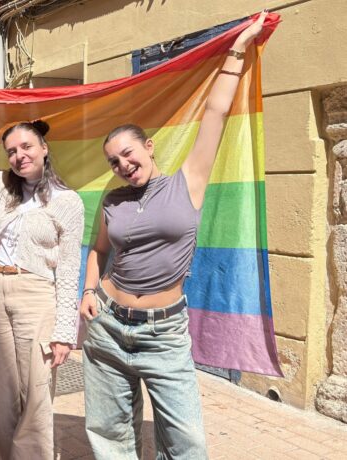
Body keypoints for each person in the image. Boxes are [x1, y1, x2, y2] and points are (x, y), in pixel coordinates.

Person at [79, 13, 268, 460]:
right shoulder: (113, 202)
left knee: (187, 444)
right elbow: (99, 249)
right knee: (110, 435)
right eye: (113, 161)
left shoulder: (188, 183)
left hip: (164, 334)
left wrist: (237, 49)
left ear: (148, 147)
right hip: (107, 326)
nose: (122, 164)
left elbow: (216, 113)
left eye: (127, 153)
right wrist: (89, 289)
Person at [0, 116, 85, 459]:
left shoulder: (68, 202)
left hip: (37, 295)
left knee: (35, 392)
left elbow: (68, 270)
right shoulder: (0, 186)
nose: (19, 155)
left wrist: (65, 332)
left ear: (44, 149)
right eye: (11, 150)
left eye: (26, 147)